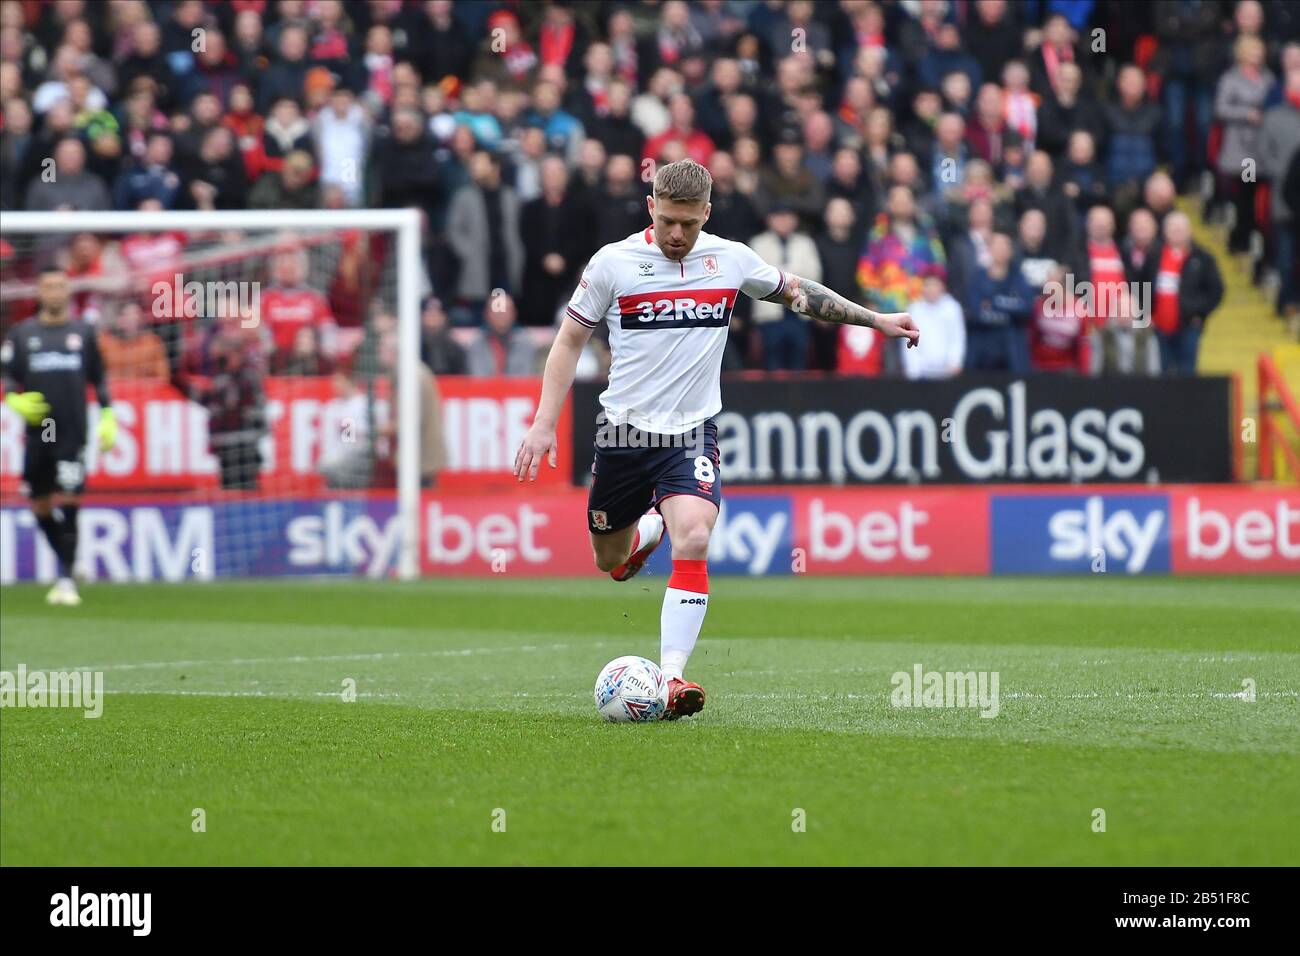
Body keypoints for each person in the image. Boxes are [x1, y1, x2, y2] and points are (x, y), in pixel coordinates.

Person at [513, 159, 919, 719]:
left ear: (707, 212)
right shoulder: (613, 263)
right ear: (651, 205)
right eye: (668, 221)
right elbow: (567, 343)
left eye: (689, 223)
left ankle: (672, 679)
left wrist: (875, 320)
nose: (678, 235)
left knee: (697, 536)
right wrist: (542, 423)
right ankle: (647, 527)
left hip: (691, 433)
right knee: (609, 560)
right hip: (623, 434)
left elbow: (799, 293)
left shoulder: (729, 259)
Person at [1, 268, 117, 605]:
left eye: (61, 286)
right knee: (39, 503)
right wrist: (12, 399)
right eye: (48, 286)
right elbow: (9, 376)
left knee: (69, 499)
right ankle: (70, 559)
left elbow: (100, 378)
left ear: (69, 291)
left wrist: (108, 415)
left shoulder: (83, 332)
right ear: (39, 292)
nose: (54, 292)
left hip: (71, 431)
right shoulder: (23, 334)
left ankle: (65, 579)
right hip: (40, 432)